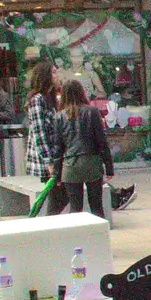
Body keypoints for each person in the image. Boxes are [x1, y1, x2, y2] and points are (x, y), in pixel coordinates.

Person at [53, 79, 114, 219]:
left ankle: (77, 236)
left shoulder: (59, 116)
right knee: (96, 205)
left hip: (70, 165)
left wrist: (56, 175)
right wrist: (109, 167)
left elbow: (58, 148)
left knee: (75, 207)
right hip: (91, 162)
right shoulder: (92, 112)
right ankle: (99, 235)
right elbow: (102, 141)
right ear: (82, 93)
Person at [23, 60, 65, 216]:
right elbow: (39, 131)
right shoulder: (37, 99)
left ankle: (50, 221)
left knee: (59, 193)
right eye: (53, 72)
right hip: (47, 157)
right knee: (58, 192)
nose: (57, 75)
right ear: (45, 76)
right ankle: (49, 222)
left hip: (56, 153)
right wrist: (49, 161)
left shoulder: (52, 97)